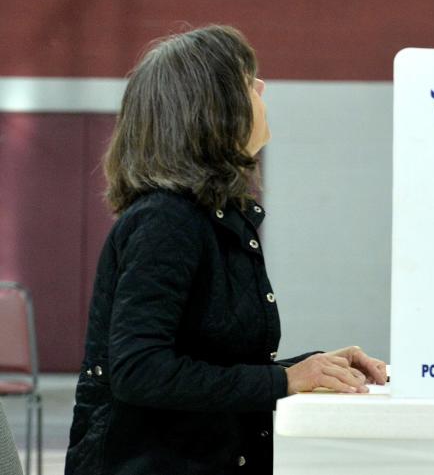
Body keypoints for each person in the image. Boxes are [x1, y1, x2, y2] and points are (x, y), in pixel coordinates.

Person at [65, 25, 387, 475]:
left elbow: (217, 366)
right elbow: (139, 370)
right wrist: (283, 379)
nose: (261, 87)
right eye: (245, 81)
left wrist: (314, 368)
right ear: (211, 111)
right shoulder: (166, 221)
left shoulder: (217, 217)